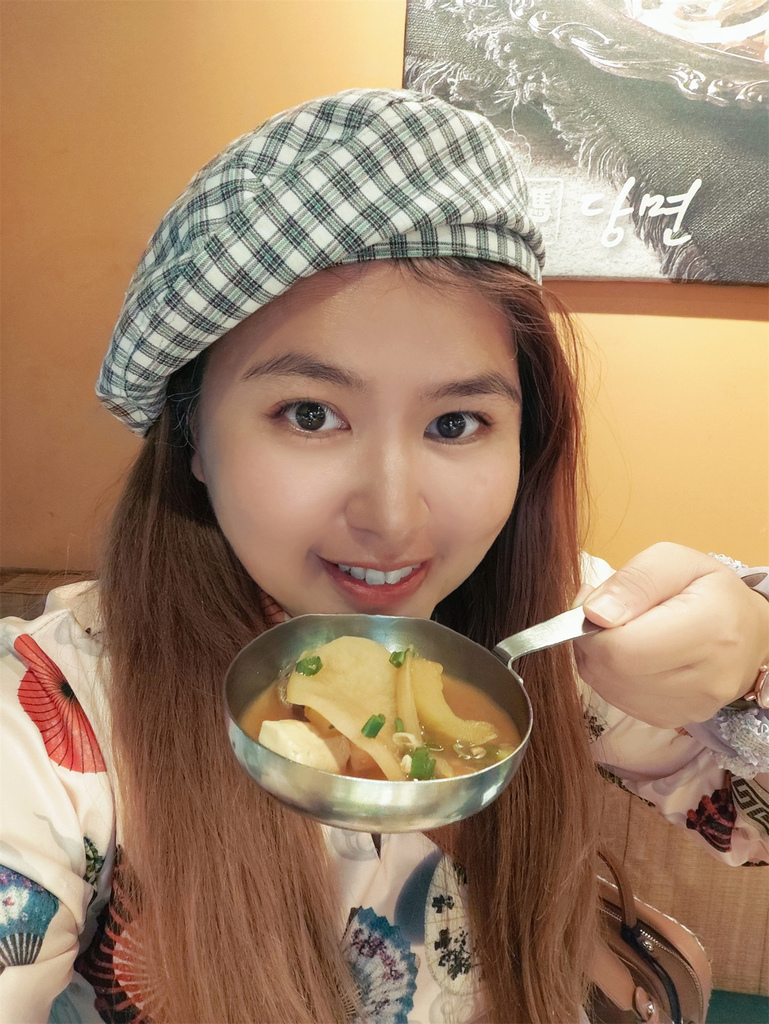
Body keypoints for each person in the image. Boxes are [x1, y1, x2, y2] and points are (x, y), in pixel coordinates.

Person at [1, 88, 767, 1024]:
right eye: (310, 414)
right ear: (191, 434)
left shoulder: (566, 632)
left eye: (455, 422)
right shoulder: (53, 716)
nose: (394, 518)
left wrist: (745, 669)